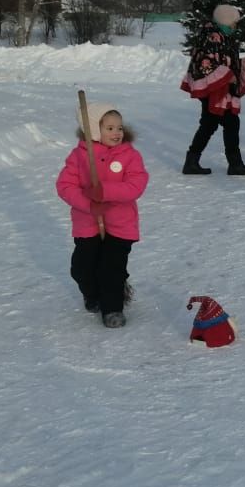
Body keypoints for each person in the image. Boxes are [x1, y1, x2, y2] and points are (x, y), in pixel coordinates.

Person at [55, 101, 149, 329]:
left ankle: (113, 308)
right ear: (94, 130)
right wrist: (89, 203)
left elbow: (137, 184)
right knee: (81, 267)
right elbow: (65, 186)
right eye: (109, 128)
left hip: (120, 224)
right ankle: (92, 293)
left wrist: (106, 191)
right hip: (87, 223)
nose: (117, 133)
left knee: (111, 268)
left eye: (119, 127)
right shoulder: (79, 156)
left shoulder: (129, 155)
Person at [180, 4, 245, 176]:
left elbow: (226, 59)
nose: (235, 26)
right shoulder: (213, 37)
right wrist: (226, 75)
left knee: (215, 124)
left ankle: (195, 161)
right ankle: (232, 163)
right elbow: (206, 63)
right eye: (233, 23)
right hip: (215, 90)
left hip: (221, 89)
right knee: (220, 124)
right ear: (225, 21)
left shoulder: (221, 35)